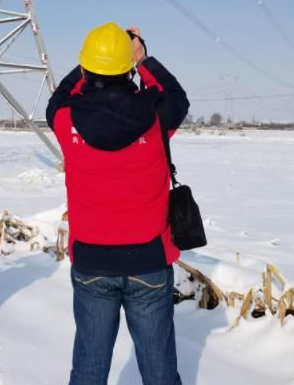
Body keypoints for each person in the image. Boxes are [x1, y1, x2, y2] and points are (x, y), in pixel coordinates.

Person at [46, 23, 189, 385]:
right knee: (159, 371)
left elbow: (59, 97)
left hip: (93, 261)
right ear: (127, 67)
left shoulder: (65, 120)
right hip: (149, 260)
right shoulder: (155, 115)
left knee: (89, 369)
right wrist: (142, 58)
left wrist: (86, 66)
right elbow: (176, 96)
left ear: (84, 68)